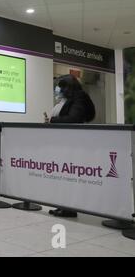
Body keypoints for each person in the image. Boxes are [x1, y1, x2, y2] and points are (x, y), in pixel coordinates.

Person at [46, 74, 96, 218]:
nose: (58, 89)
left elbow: (74, 118)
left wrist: (53, 121)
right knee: (62, 175)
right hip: (64, 142)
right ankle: (63, 206)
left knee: (68, 176)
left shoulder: (79, 97)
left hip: (73, 143)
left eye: (60, 86)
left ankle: (69, 208)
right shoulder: (66, 100)